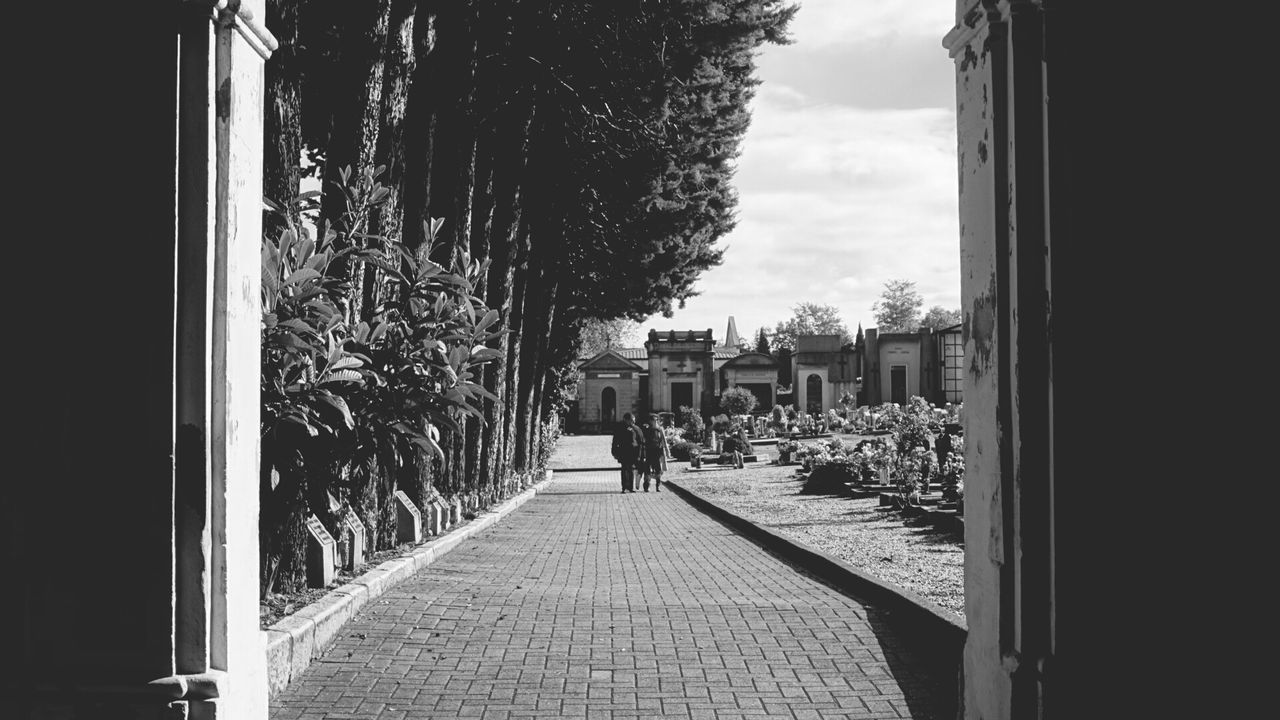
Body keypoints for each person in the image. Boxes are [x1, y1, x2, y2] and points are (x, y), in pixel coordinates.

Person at [611, 412, 645, 493]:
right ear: (625, 420)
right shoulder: (619, 428)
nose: (633, 422)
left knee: (631, 470)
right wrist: (614, 452)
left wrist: (641, 454)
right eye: (631, 421)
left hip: (633, 452)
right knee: (624, 469)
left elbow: (641, 442)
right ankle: (624, 487)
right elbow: (615, 441)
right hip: (623, 451)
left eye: (633, 420)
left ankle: (630, 487)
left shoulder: (636, 429)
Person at [640, 414, 670, 492]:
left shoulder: (660, 429)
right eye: (654, 420)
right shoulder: (647, 429)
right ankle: (646, 486)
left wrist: (667, 450)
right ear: (650, 421)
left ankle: (658, 486)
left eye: (656, 420)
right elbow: (643, 440)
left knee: (658, 469)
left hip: (657, 451)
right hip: (649, 450)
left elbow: (664, 440)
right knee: (647, 469)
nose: (655, 421)